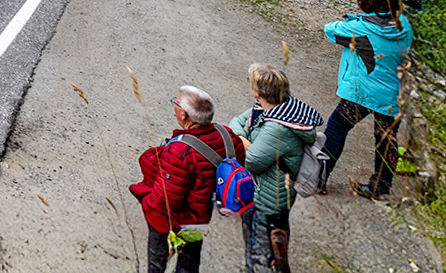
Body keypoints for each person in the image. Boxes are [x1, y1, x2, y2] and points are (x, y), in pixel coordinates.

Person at [130, 84, 245, 273]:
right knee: (189, 264)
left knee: (157, 264)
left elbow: (165, 200)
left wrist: (146, 199)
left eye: (175, 103)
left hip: (176, 219)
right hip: (202, 218)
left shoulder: (180, 151)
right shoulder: (227, 136)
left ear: (183, 114)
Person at [320, 0, 413, 199]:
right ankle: (380, 188)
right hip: (392, 96)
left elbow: (331, 30)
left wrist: (357, 19)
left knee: (336, 128)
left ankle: (318, 177)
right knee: (386, 140)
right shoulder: (405, 27)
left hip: (360, 94)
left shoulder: (358, 29)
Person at [229, 63, 324, 273]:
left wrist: (242, 140)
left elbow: (252, 160)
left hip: (268, 199)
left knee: (260, 250)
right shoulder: (278, 107)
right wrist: (245, 139)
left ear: (258, 91)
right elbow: (235, 122)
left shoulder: (278, 128)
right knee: (270, 241)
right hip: (266, 191)